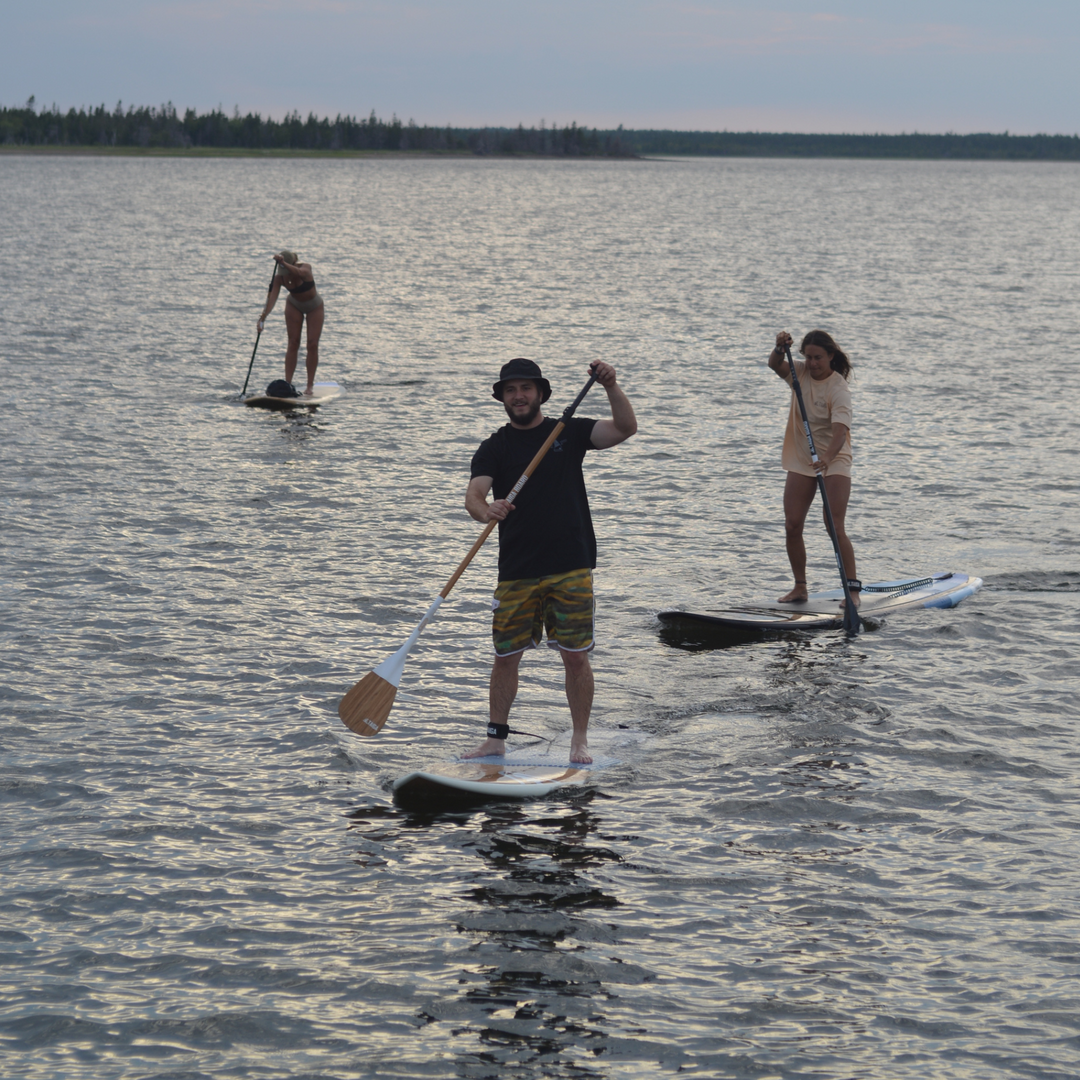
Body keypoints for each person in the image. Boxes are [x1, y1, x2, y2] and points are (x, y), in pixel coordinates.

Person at [463, 357, 637, 765]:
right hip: (517, 569)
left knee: (575, 657)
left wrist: (611, 385)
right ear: (502, 398)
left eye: (525, 388)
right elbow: (474, 496)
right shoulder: (495, 446)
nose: (518, 396)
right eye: (510, 390)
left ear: (540, 393)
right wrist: (487, 510)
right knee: (505, 657)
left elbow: (626, 428)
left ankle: (579, 740)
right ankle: (495, 740)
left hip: (570, 563)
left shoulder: (568, 431)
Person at [768, 329, 860, 608]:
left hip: (834, 459)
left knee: (834, 526)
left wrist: (827, 459)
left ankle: (852, 591)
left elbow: (840, 434)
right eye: (808, 357)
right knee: (792, 524)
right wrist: (779, 348)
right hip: (803, 457)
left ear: (831, 356)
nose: (812, 363)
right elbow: (774, 364)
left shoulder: (838, 389)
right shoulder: (799, 374)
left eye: (818, 357)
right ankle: (800, 588)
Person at [257, 250, 324, 395]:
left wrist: (283, 263)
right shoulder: (279, 278)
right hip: (294, 305)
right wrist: (263, 318)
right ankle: (287, 384)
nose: (284, 273)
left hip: (314, 306)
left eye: (285, 268)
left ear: (293, 263)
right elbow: (272, 299)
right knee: (293, 343)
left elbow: (299, 273)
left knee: (312, 344)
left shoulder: (305, 267)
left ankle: (309, 386)